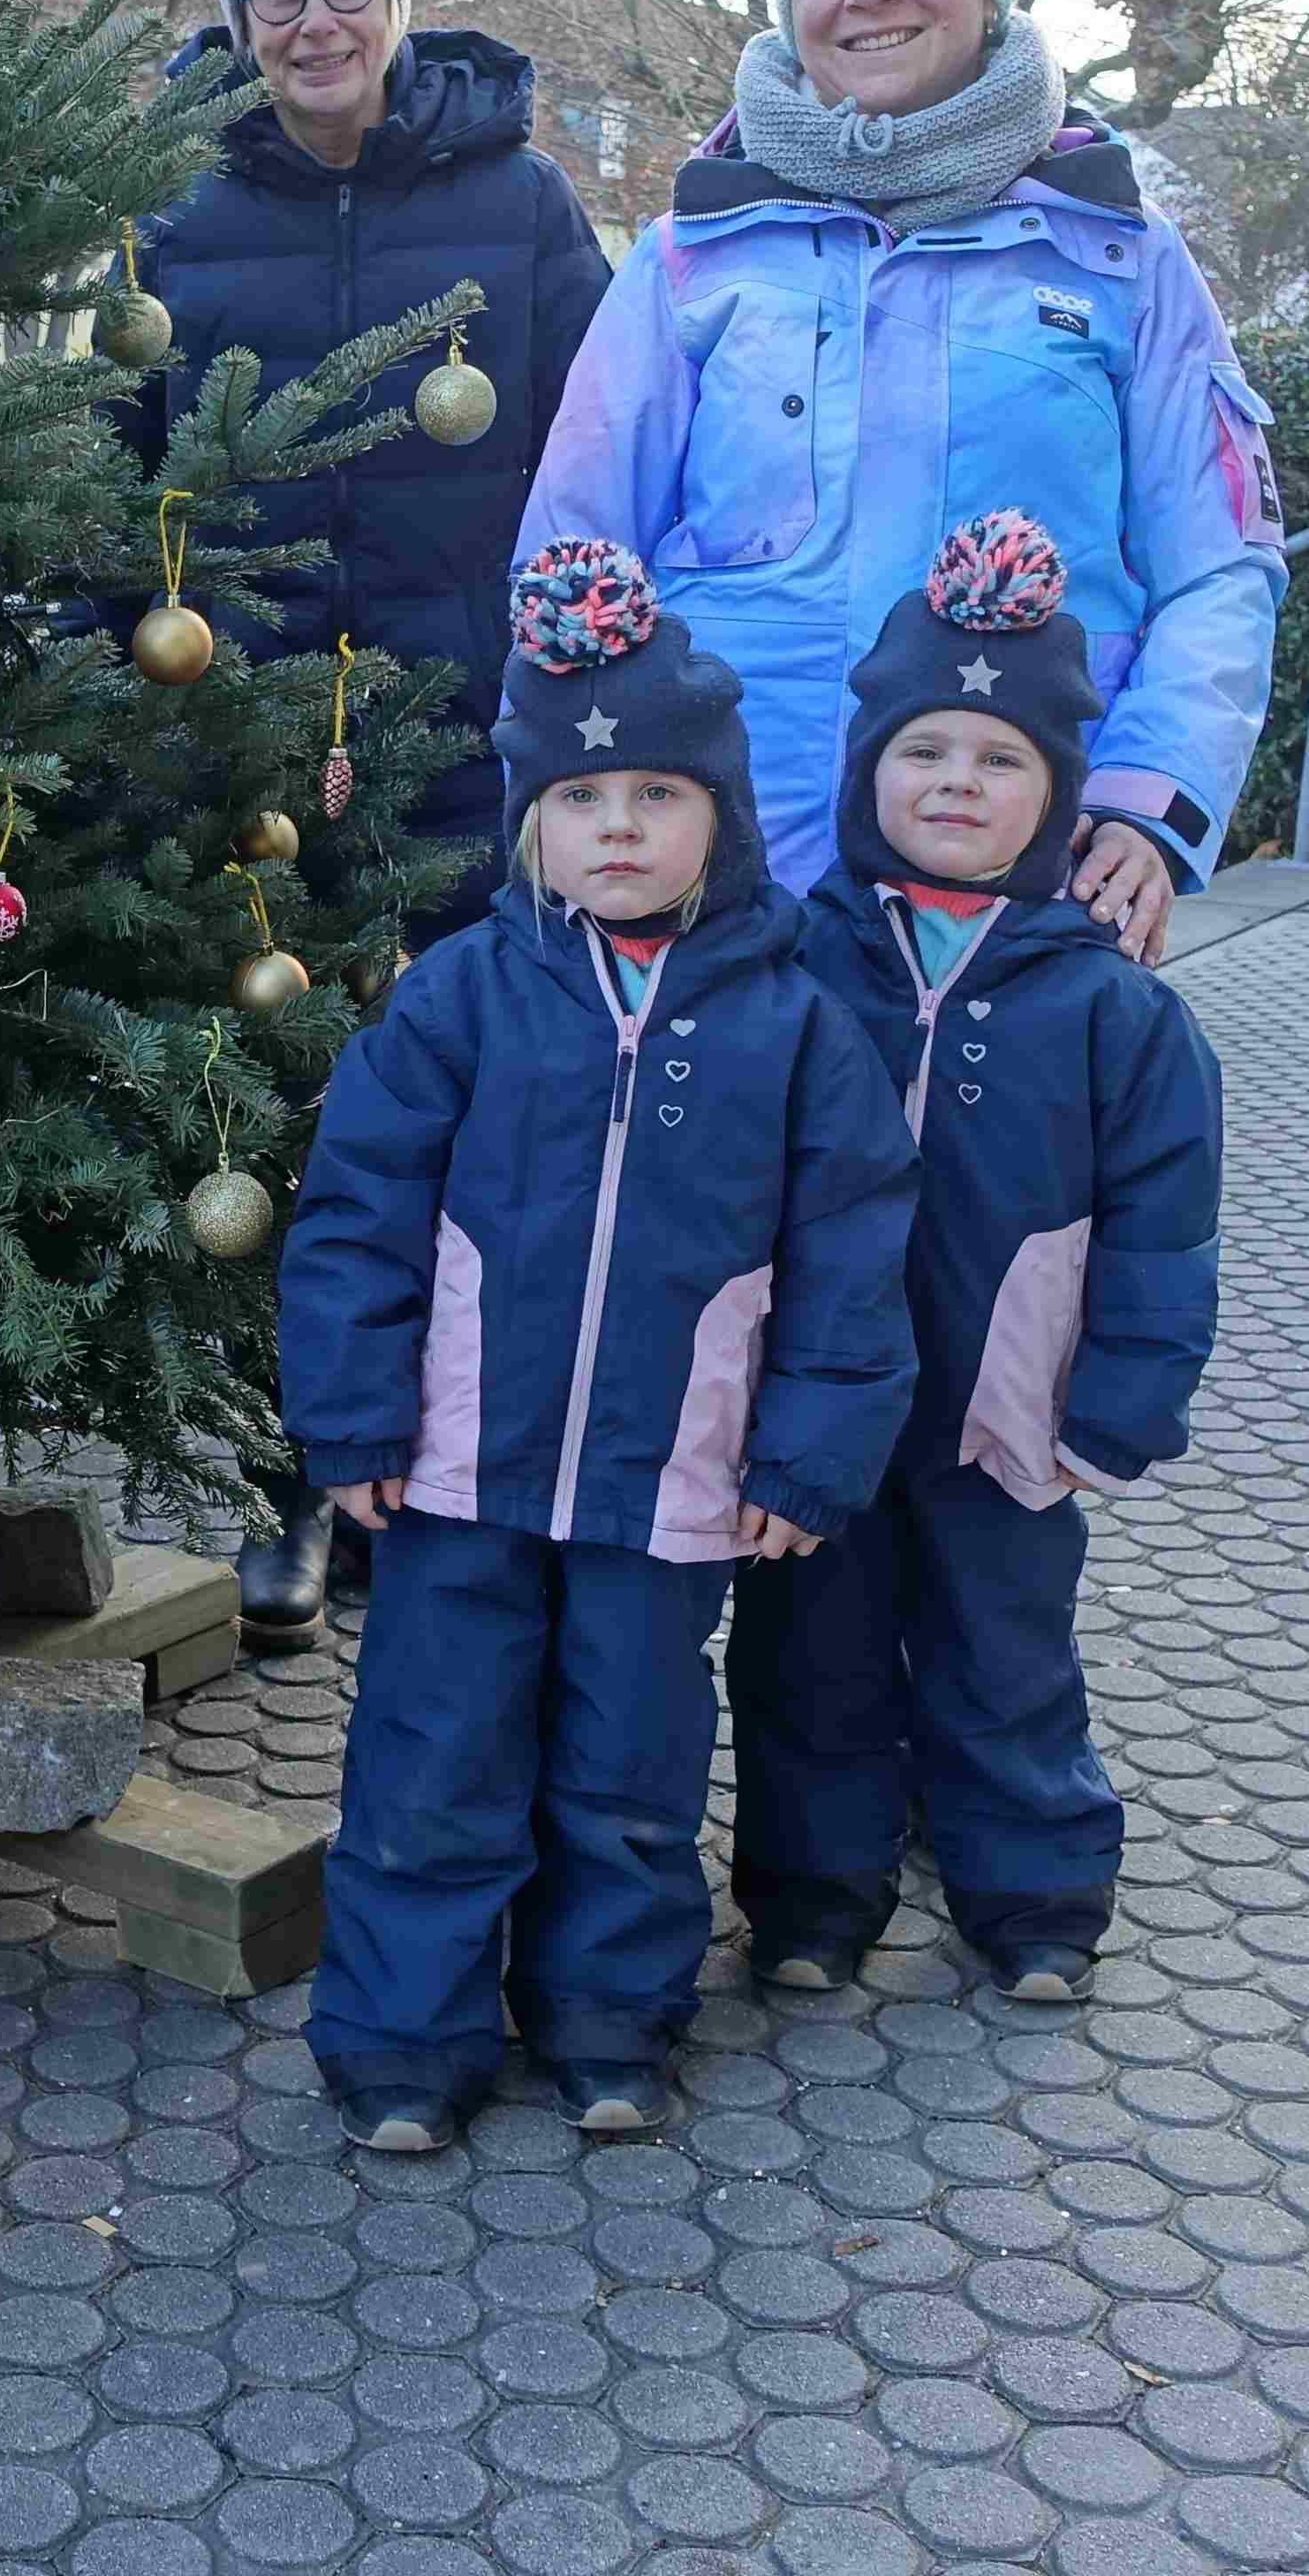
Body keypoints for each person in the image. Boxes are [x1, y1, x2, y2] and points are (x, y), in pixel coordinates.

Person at [277, 538, 917, 2151]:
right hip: (454, 1475)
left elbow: (851, 1253)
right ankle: (400, 2042)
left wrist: (807, 1455)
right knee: (431, 1758)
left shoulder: (792, 1028)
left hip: (673, 1482)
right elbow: (354, 1216)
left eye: (654, 797)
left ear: (722, 817)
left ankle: (610, 2021)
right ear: (529, 823)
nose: (614, 830)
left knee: (630, 1768)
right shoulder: (454, 1003)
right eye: (577, 801)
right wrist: (350, 1423)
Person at [518, 0, 1285, 966]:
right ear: (789, 6)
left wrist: (1149, 797)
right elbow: (569, 573)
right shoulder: (688, 263)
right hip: (723, 905)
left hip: (1019, 895)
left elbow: (1219, 572)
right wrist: (589, 833)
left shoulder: (1121, 261)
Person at [123, 0, 614, 1652]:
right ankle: (287, 1481)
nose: (312, 20)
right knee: (262, 1113)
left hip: (466, 743)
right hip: (240, 734)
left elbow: (595, 473)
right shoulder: (167, 212)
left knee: (453, 1121)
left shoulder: (525, 207)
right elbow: (113, 464)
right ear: (237, 17)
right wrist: (148, 669)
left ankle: (441, 1487)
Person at [729, 512, 1222, 1999]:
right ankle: (813, 1896)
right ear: (866, 771)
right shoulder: (789, 967)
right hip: (813, 1419)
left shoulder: (1113, 1012)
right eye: (924, 752)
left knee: (1005, 1655)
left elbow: (1163, 1226)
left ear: (1061, 799)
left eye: (1001, 763)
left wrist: (1121, 1403)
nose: (958, 784)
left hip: (1006, 1412)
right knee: (807, 1658)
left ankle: (1037, 1899)